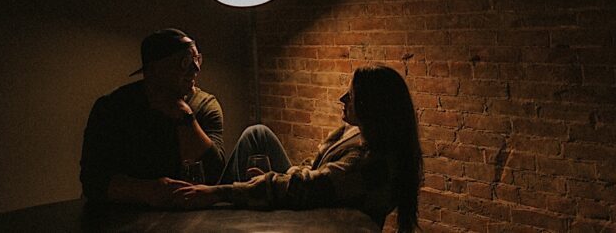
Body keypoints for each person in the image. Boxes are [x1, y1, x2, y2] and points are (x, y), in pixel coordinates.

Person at [176, 64, 421, 232]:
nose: (342, 99)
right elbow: (311, 168)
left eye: (351, 94)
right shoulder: (353, 132)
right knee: (257, 134)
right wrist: (279, 177)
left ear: (370, 106)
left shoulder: (369, 162)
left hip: (322, 218)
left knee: (244, 182)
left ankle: (213, 211)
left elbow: (308, 187)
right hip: (317, 194)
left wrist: (217, 192)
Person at [80, 28, 224, 207]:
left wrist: (184, 115)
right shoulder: (113, 107)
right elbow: (93, 181)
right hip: (122, 212)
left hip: (186, 210)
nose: (196, 68)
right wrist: (145, 190)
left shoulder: (205, 106)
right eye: (185, 62)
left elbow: (214, 174)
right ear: (154, 69)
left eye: (197, 59)